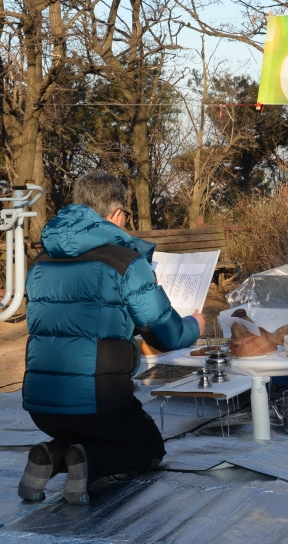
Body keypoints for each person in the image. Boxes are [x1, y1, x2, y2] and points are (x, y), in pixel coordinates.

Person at [17, 170, 205, 504]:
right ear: (116, 213)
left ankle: (49, 454)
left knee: (80, 431)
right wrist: (195, 325)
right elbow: (167, 334)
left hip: (41, 407)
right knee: (147, 446)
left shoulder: (40, 262)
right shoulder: (125, 262)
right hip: (99, 401)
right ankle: (88, 462)